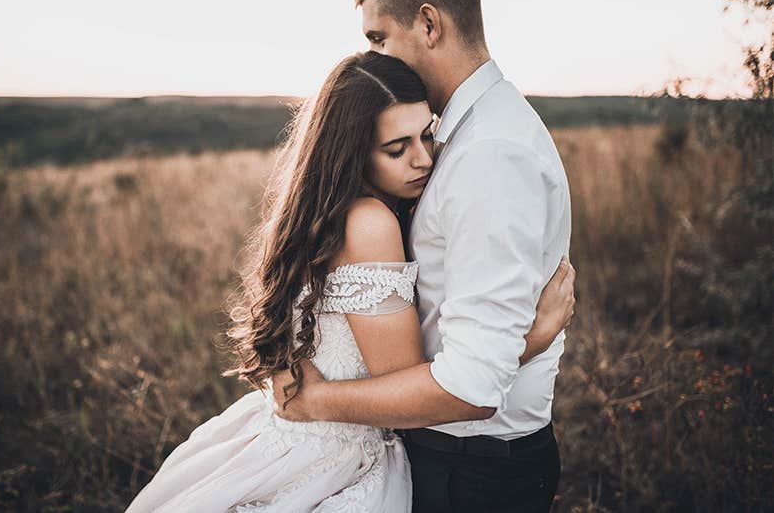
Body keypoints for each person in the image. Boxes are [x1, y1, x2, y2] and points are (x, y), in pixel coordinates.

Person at [124, 50, 575, 512]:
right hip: (336, 462)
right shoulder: (370, 223)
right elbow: (407, 383)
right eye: (396, 149)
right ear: (353, 153)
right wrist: (530, 340)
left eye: (427, 135)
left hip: (283, 438)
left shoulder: (321, 214)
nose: (422, 160)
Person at [271, 0, 574, 512]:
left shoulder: (490, 154)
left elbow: (472, 384)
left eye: (378, 39)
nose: (372, 56)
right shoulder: (460, 136)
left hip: (472, 469)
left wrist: (316, 402)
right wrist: (532, 336)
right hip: (442, 454)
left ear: (429, 23)